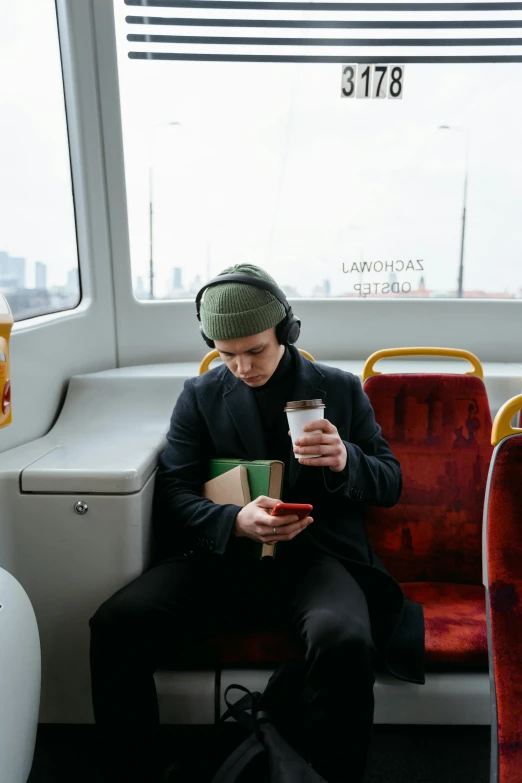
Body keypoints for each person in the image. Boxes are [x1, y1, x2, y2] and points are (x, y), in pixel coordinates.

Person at [89, 264, 425, 783]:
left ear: (286, 333)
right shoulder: (200, 396)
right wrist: (234, 521)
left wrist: (345, 459)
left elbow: (391, 482)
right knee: (114, 624)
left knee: (344, 640)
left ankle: (330, 774)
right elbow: (174, 494)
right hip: (225, 558)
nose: (242, 367)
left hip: (317, 559)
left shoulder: (339, 389)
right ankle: (135, 769)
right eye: (226, 355)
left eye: (255, 350)